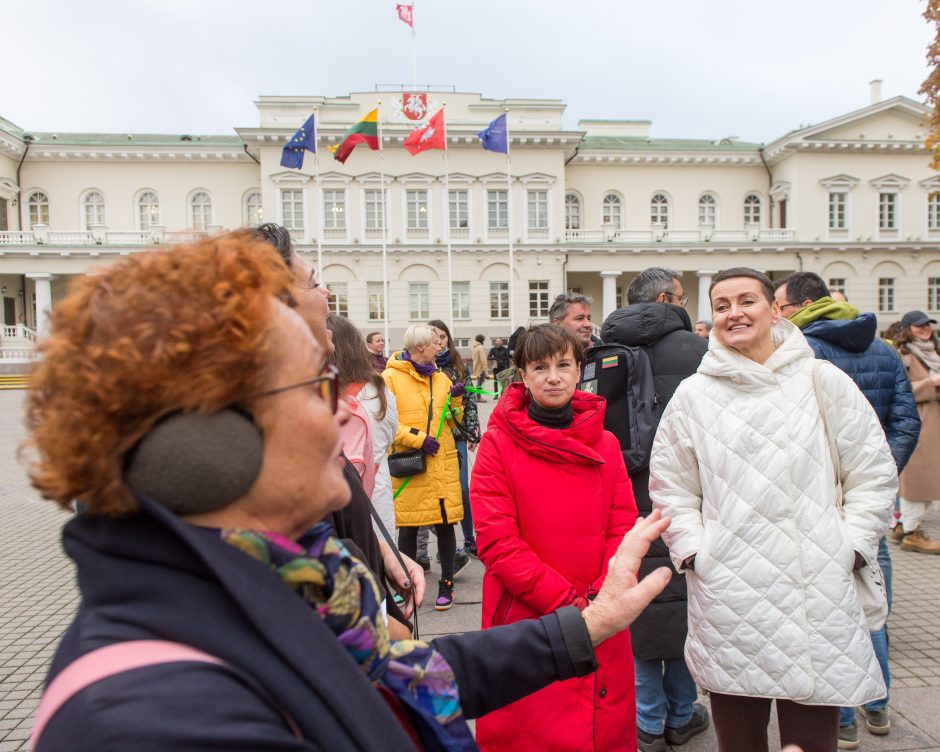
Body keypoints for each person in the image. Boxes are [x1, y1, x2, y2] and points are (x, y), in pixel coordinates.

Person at [25, 234, 675, 751]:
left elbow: (405, 674)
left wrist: (587, 626)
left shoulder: (288, 583)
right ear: (211, 438)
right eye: (318, 384)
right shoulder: (159, 717)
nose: (344, 411)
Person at [650, 267, 897, 752]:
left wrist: (850, 547)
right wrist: (697, 552)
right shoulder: (694, 396)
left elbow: (873, 472)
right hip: (730, 594)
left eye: (747, 301)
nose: (734, 313)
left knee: (812, 740)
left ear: (775, 310)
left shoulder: (821, 380)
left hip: (816, 589)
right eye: (722, 306)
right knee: (738, 738)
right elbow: (671, 487)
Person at [470, 324, 640, 752]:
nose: (553, 376)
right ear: (522, 376)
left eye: (564, 365)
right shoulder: (497, 444)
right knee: (534, 729)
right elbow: (496, 540)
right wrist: (571, 606)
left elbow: (623, 522)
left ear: (579, 370)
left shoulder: (606, 442)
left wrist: (604, 592)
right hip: (532, 615)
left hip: (600, 606)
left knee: (601, 727)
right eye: (540, 367)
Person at [249, 224, 420, 635]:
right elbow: (363, 645)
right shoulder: (263, 444)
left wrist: (381, 553)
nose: (327, 295)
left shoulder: (285, 411)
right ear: (277, 307)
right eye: (314, 283)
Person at [774, 271, 921, 745]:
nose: (777, 315)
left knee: (826, 611)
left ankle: (839, 719)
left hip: (815, 500)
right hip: (866, 501)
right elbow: (906, 419)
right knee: (871, 597)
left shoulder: (801, 353)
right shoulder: (881, 348)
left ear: (800, 305)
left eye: (780, 306)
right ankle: (877, 707)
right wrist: (877, 478)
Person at [600, 267, 709, 751]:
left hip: (621, 499)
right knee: (689, 607)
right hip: (692, 498)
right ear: (666, 298)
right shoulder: (698, 352)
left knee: (634, 604)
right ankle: (681, 715)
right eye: (682, 298)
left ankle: (645, 721)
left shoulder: (600, 354)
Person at [383, 324, 465, 611]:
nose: (440, 346)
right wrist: (418, 440)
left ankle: (447, 583)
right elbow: (386, 423)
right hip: (412, 464)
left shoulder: (441, 378)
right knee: (408, 525)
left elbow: (453, 422)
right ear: (420, 347)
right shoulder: (389, 378)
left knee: (445, 523)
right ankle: (404, 585)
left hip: (441, 462)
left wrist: (456, 399)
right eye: (435, 342)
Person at [326, 314, 399, 539]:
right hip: (376, 486)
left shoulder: (316, 392)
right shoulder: (377, 389)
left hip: (330, 496)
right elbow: (390, 435)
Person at [429, 319, 479, 560]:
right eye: (434, 337)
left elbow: (468, 398)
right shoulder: (423, 364)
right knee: (436, 492)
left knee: (462, 489)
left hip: (457, 434)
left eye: (443, 337)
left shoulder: (458, 364)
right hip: (433, 439)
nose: (439, 342)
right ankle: (444, 545)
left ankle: (469, 539)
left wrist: (472, 431)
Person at [893, 310, 940, 553]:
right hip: (919, 423)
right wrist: (930, 384)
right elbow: (901, 389)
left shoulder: (933, 352)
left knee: (930, 480)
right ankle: (912, 532)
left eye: (927, 325)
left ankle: (903, 526)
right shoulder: (905, 354)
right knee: (917, 481)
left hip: (935, 423)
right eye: (919, 326)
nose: (924, 329)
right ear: (908, 329)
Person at [471, 334, 489, 401]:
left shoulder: (474, 347)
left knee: (479, 381)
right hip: (480, 367)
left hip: (476, 366)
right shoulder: (480, 347)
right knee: (480, 382)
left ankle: (478, 396)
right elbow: (483, 359)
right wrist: (485, 369)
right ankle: (479, 397)